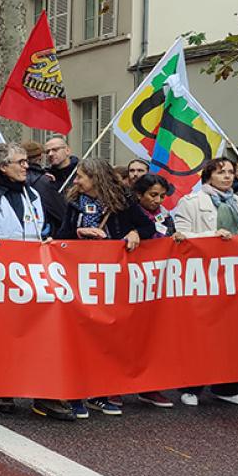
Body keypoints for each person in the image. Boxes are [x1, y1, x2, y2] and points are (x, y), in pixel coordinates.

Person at [0, 144, 75, 422]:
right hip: (0, 278)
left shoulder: (34, 192)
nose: (25, 166)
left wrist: (50, 242)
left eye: (25, 162)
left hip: (34, 276)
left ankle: (44, 395)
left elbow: (48, 226)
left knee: (41, 334)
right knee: (5, 334)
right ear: (3, 166)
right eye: (19, 162)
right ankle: (5, 389)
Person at [56, 157, 155, 418]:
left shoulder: (122, 202)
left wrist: (135, 234)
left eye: (81, 176)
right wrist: (79, 233)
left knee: (105, 335)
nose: (76, 181)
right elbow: (61, 235)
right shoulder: (73, 201)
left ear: (96, 178)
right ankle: (75, 394)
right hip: (80, 277)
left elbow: (148, 226)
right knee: (79, 335)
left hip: (111, 279)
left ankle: (100, 393)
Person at [172, 157, 238, 407]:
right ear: (208, 176)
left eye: (230, 172)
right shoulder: (191, 202)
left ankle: (228, 387)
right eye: (221, 173)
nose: (228, 176)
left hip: (233, 277)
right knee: (201, 332)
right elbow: (180, 237)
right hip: (202, 275)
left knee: (230, 332)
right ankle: (191, 387)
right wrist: (212, 237)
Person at [129, 173, 184, 409]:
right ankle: (113, 388)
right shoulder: (128, 213)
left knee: (155, 337)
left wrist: (177, 238)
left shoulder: (164, 215)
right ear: (139, 194)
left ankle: (150, 387)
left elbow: (170, 238)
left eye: (162, 196)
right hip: (132, 285)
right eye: (153, 195)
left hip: (158, 287)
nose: (158, 200)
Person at [22, 140, 67, 233]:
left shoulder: (13, 178)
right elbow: (62, 213)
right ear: (40, 157)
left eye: (55, 150)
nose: (50, 154)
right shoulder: (44, 181)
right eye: (47, 152)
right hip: (43, 234)